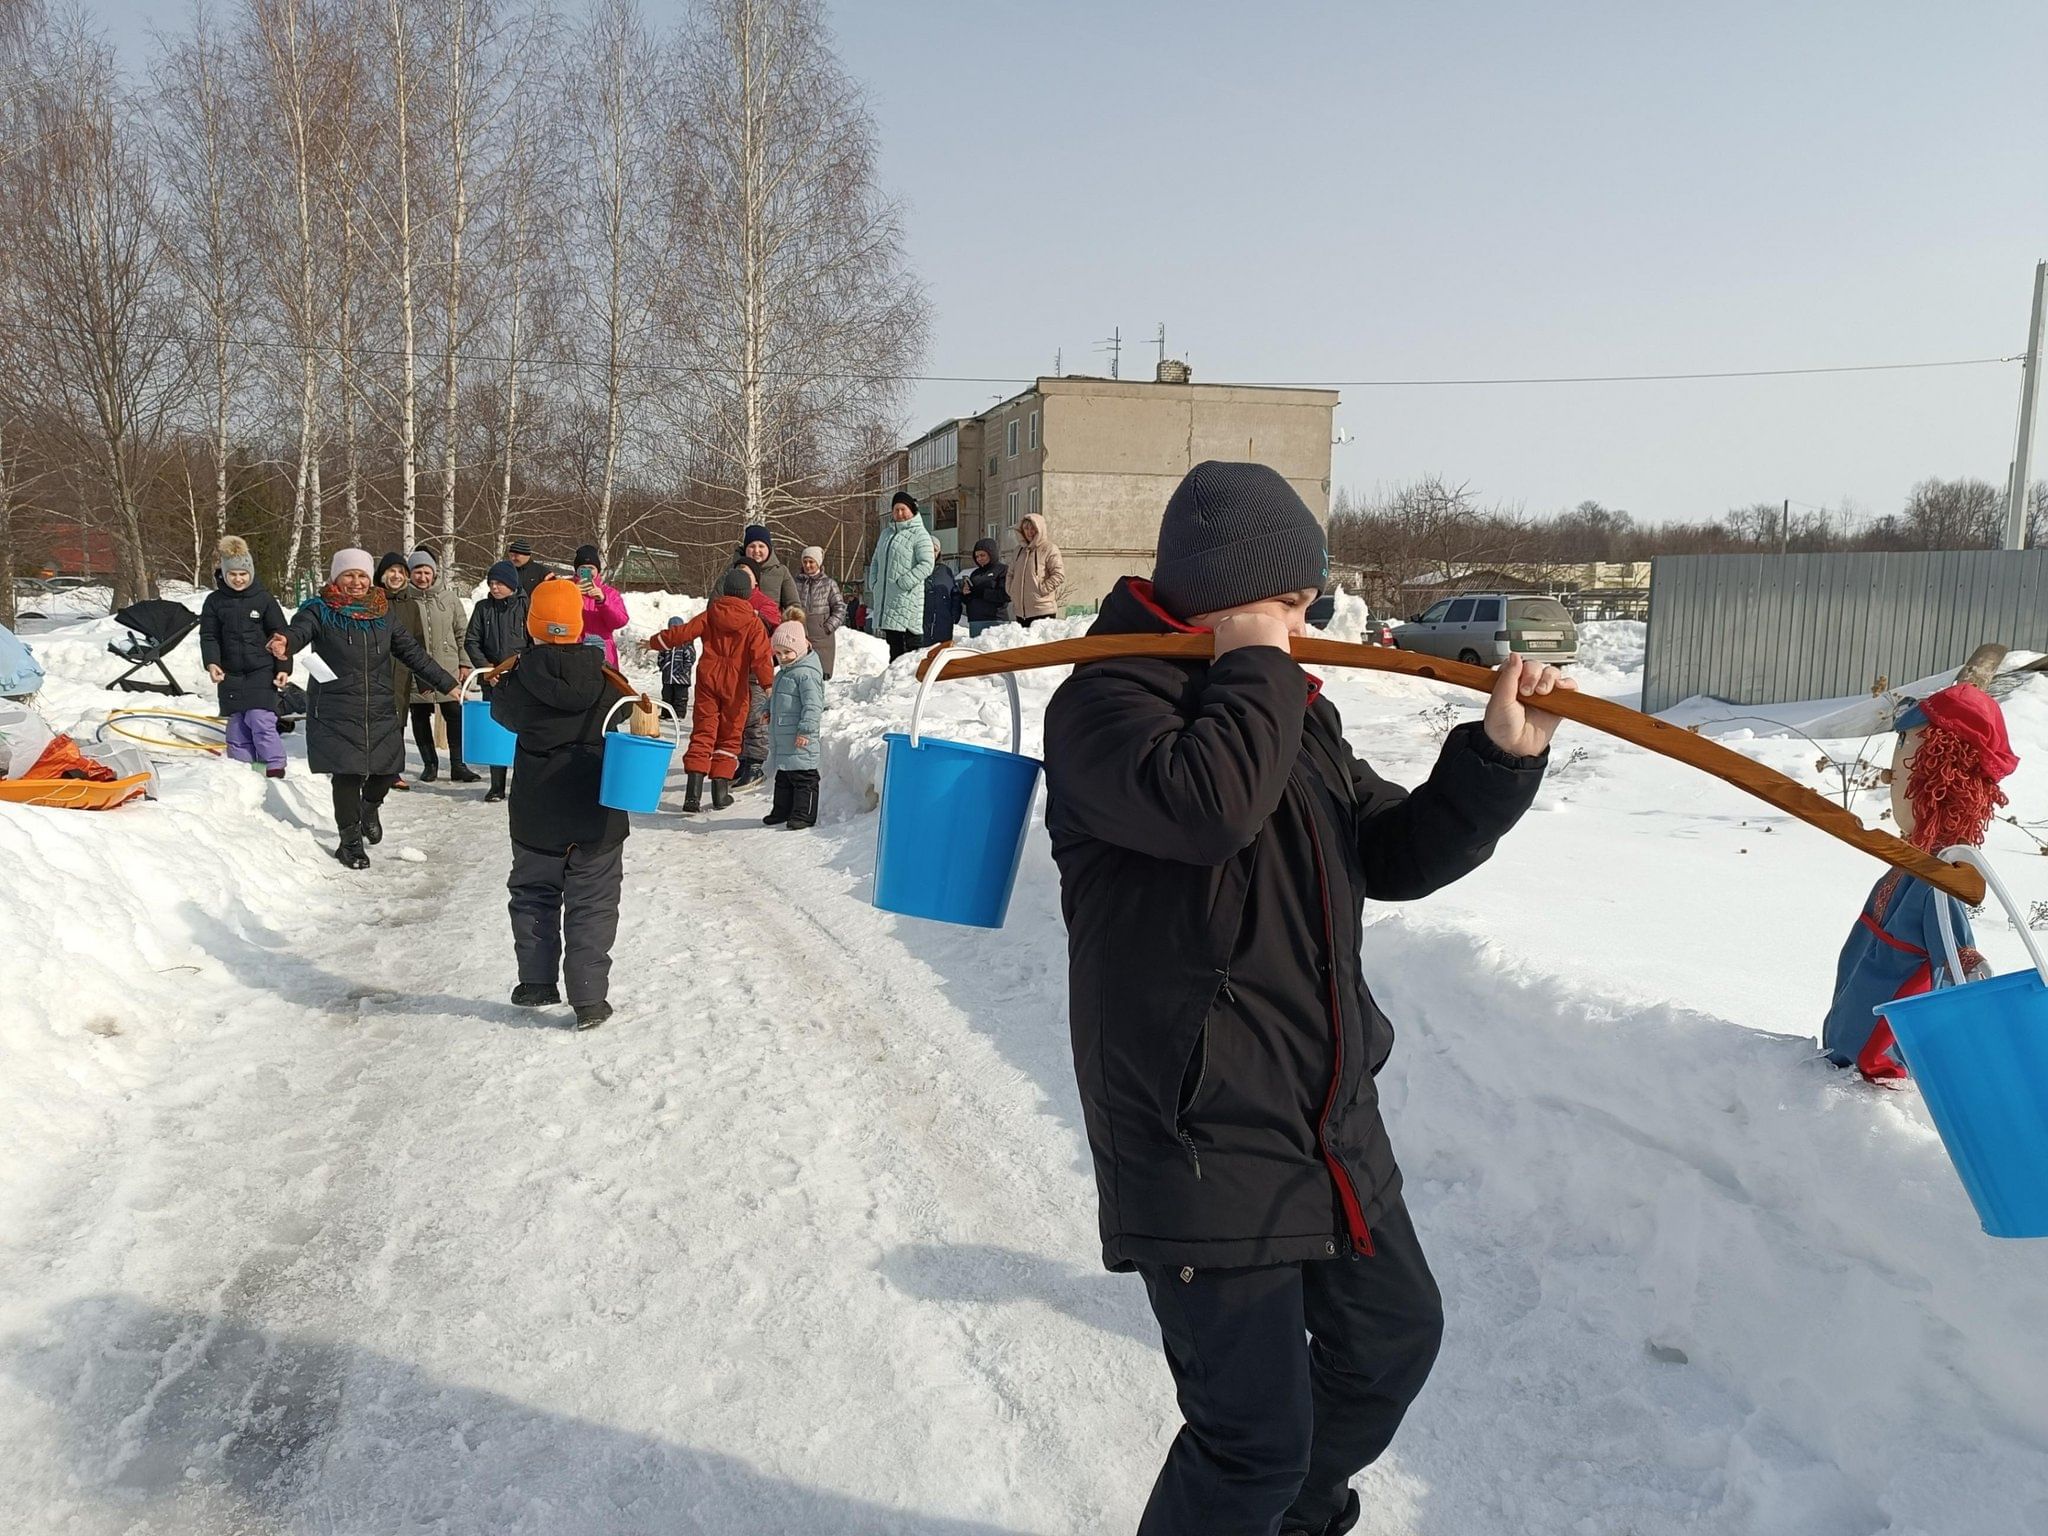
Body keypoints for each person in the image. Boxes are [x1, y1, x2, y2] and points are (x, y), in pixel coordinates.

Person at [1041, 461, 1570, 1536]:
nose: (1306, 621)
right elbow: (1206, 811)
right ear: (1230, 592)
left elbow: (1388, 850)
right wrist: (1257, 668)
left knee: (1388, 1345)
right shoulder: (1102, 703)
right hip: (1197, 1133)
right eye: (1289, 601)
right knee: (1247, 1445)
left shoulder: (1284, 711)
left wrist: (1493, 763)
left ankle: (1284, 1520)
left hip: (1324, 1115)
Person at [1822, 683, 2016, 1082]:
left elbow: (1956, 964)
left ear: (1941, 776)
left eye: (1907, 754)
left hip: (1877, 1068)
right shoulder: (1911, 865)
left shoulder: (1937, 878)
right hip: (1846, 1048)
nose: (1894, 773)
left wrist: (1966, 961)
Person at [487, 578, 628, 1031]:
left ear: (532, 626)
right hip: (596, 813)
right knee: (593, 904)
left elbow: (498, 712)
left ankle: (536, 983)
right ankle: (588, 1000)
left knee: (533, 896)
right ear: (578, 623)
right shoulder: (604, 679)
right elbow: (628, 708)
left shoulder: (516, 682)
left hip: (535, 815)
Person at [277, 548, 457, 870]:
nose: (356, 582)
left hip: (379, 703)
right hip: (335, 705)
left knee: (387, 769)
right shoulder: (319, 610)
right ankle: (349, 843)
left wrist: (447, 683)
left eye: (362, 575)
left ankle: (369, 807)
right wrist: (285, 644)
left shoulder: (382, 611)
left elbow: (412, 652)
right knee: (346, 774)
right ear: (336, 577)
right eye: (349, 575)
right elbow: (298, 632)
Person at [645, 568, 773, 814]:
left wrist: (654, 642)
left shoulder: (711, 613)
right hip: (736, 685)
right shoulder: (754, 623)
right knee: (729, 736)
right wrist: (768, 686)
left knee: (703, 732)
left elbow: (682, 634)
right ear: (748, 594)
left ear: (725, 590)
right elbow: (761, 658)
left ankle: (692, 794)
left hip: (708, 680)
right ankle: (720, 793)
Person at [199, 535, 290, 778]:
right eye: (233, 574)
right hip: (231, 673)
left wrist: (283, 666)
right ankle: (246, 773)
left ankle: (273, 766)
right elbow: (209, 636)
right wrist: (212, 662)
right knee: (237, 728)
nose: (238, 579)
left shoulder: (264, 599)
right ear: (225, 574)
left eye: (243, 574)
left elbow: (280, 635)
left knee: (260, 719)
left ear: (250, 572)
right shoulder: (214, 602)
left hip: (261, 670)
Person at [406, 549, 476, 783]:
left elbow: (462, 632)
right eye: (418, 572)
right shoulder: (405, 599)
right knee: (419, 715)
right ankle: (430, 764)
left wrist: (465, 663)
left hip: (448, 665)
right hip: (416, 668)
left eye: (427, 572)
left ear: (434, 573)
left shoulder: (449, 598)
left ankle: (458, 764)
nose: (422, 577)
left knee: (454, 714)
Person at [464, 560, 530, 803]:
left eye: (499, 583)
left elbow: (534, 642)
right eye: (491, 583)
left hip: (521, 679)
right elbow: (472, 641)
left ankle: (523, 782)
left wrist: (525, 668)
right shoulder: (483, 608)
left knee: (525, 732)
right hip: (492, 679)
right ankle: (497, 785)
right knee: (496, 730)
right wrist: (487, 670)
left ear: (511, 584)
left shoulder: (527, 606)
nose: (494, 587)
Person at [763, 619, 823, 831]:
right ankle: (782, 810)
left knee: (803, 776)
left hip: (800, 735)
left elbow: (813, 705)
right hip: (784, 734)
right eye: (778, 654)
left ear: (800, 647)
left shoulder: (806, 674)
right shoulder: (784, 673)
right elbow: (777, 697)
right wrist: (767, 710)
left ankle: (804, 814)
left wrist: (806, 730)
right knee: (785, 776)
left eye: (787, 652)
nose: (783, 657)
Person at [869, 490, 935, 659]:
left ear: (912, 510)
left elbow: (927, 564)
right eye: (896, 510)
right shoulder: (886, 534)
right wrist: (874, 583)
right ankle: (894, 683)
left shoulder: (920, 534)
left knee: (909, 651)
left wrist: (904, 582)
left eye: (903, 509)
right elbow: (875, 560)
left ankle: (911, 683)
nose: (899, 514)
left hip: (907, 599)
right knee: (893, 648)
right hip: (887, 600)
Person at [376, 551, 422, 787]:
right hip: (376, 667)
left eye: (401, 572)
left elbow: (418, 640)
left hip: (401, 670)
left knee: (398, 720)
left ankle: (394, 771)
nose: (396, 576)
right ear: (382, 574)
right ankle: (372, 768)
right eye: (391, 571)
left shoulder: (411, 605)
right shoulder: (372, 600)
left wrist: (424, 680)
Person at [572, 543, 630, 666]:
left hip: (603, 652)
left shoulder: (610, 593)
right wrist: (571, 595)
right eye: (583, 568)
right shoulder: (566, 589)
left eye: (591, 568)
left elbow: (620, 621)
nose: (587, 572)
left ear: (597, 570)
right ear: (576, 570)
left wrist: (603, 601)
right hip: (573, 650)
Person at [793, 547, 846, 680]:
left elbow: (840, 607)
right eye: (805, 562)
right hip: (801, 635)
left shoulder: (829, 584)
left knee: (820, 675)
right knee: (801, 674)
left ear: (819, 563)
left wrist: (828, 626)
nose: (807, 565)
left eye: (811, 562)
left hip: (823, 639)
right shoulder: (795, 583)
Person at [1005, 510, 1065, 628]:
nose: (1029, 532)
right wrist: (1011, 590)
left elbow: (1058, 574)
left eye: (1033, 528)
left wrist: (1042, 589)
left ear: (1040, 529)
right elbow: (1010, 573)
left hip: (1043, 611)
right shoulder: (1019, 550)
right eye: (1026, 528)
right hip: (1020, 613)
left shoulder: (1049, 548)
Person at [733, 524, 801, 612]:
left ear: (768, 549)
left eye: (761, 546)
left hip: (772, 624)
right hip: (740, 623)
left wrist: (793, 623)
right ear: (745, 548)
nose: (756, 551)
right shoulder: (733, 570)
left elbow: (793, 604)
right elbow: (716, 601)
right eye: (752, 546)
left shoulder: (781, 572)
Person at [959, 538, 1009, 637]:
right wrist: (965, 594)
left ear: (992, 554)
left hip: (995, 620)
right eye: (977, 556)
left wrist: (982, 593)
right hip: (975, 621)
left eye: (982, 555)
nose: (979, 559)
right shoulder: (975, 573)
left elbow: (1006, 595)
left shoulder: (1002, 570)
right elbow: (970, 599)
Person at [656, 614, 695, 726]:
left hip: (681, 676)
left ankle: (679, 714)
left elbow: (690, 657)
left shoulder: (686, 643)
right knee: (667, 695)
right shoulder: (666, 642)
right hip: (668, 676)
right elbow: (661, 655)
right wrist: (662, 665)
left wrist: (685, 668)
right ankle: (666, 713)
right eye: (671, 629)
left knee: (680, 697)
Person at [922, 541, 958, 648]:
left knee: (941, 656)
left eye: (934, 550)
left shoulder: (946, 571)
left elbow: (954, 594)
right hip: (921, 624)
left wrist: (954, 614)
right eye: (928, 549)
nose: (931, 553)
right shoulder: (915, 569)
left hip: (943, 624)